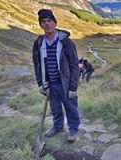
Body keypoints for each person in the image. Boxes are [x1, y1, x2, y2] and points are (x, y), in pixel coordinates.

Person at [32, 9, 80, 142]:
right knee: (55, 108)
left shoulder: (66, 42)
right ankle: (58, 127)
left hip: (65, 83)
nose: (47, 24)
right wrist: (41, 84)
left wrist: (73, 87)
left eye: (49, 21)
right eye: (44, 21)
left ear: (55, 23)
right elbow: (37, 65)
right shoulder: (39, 43)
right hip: (50, 83)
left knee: (71, 108)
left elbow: (74, 65)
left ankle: (73, 131)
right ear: (41, 24)